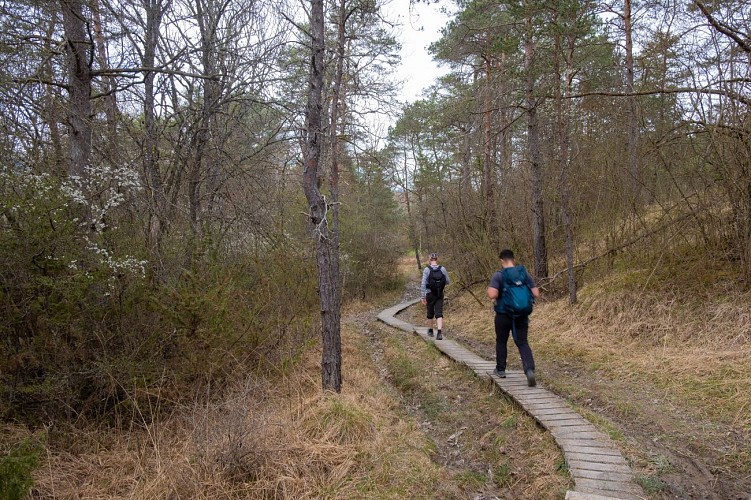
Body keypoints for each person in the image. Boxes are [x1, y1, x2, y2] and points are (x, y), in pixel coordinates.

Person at [487, 249, 540, 387]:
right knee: (522, 342)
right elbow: (536, 292)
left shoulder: (499, 275)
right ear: (513, 259)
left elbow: (492, 294)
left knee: (501, 341)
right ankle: (529, 370)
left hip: (503, 314)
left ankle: (500, 369)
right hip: (521, 315)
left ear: (501, 261)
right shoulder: (524, 274)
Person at [420, 253, 450, 340]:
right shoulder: (442, 269)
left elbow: (423, 284)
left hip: (429, 294)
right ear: (437, 259)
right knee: (439, 313)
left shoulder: (426, 269)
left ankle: (430, 331)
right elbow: (448, 281)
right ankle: (439, 333)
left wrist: (422, 296)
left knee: (430, 312)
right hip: (439, 294)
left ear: (429, 260)